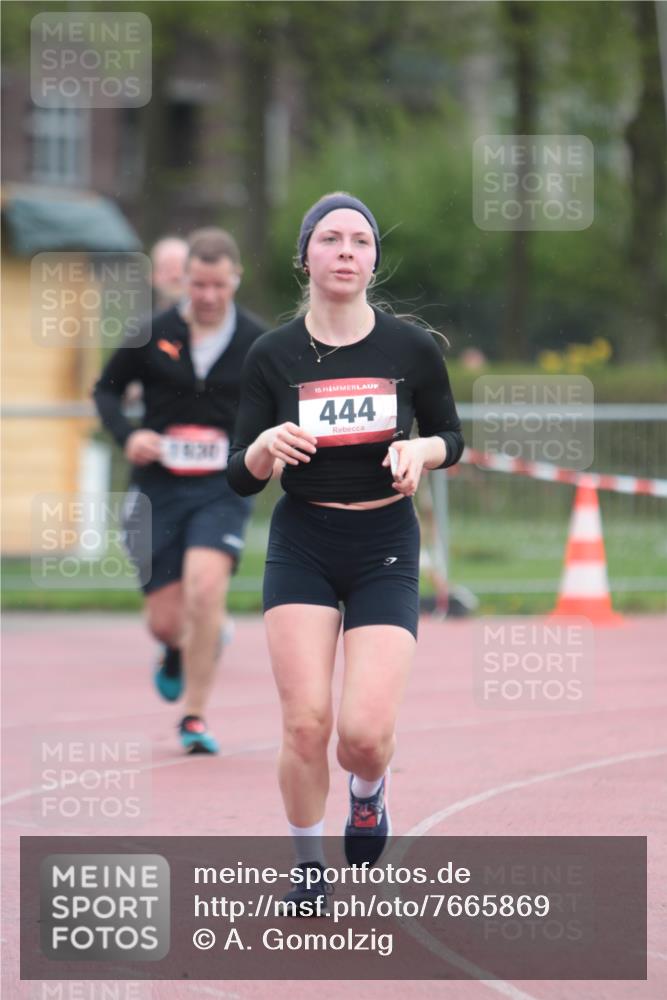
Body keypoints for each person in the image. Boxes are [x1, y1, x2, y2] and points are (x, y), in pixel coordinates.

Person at [227, 193, 464, 909]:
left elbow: (452, 438)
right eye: (329, 239)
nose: (345, 251)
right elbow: (239, 473)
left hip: (385, 543)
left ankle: (369, 792)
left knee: (362, 735)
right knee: (304, 724)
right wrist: (266, 446)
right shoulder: (272, 356)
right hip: (303, 540)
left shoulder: (409, 350)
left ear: (372, 261)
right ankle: (307, 863)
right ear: (306, 256)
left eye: (359, 241)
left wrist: (419, 449)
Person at [94, 228, 266, 753]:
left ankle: (194, 716)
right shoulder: (152, 333)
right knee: (167, 621)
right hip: (157, 491)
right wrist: (130, 436)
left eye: (219, 285)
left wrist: (267, 448)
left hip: (222, 487)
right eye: (198, 284)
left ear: (235, 280)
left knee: (206, 588)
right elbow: (105, 390)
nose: (208, 296)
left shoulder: (259, 341)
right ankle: (175, 647)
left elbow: (284, 402)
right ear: (183, 281)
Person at [150, 236, 189, 311]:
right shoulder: (144, 322)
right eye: (168, 269)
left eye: (182, 268)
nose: (175, 276)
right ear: (152, 276)